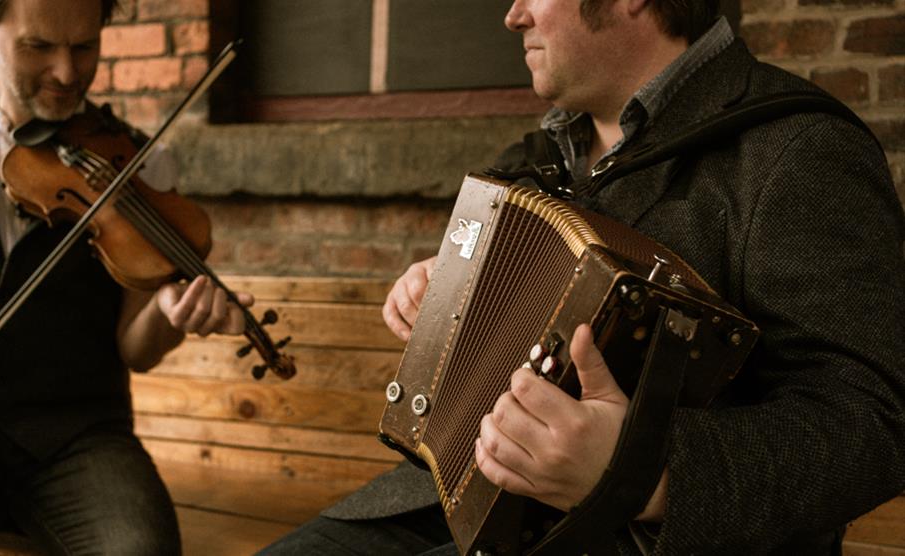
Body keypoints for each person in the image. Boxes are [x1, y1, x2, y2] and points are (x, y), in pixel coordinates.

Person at [258, 0, 905, 554]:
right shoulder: (540, 156)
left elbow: (874, 423)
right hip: (444, 503)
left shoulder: (799, 152)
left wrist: (641, 469)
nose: (512, 15)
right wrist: (446, 289)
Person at [0, 0, 255, 554]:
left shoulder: (131, 160)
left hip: (78, 440)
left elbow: (137, 348)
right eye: (39, 47)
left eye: (84, 47)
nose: (66, 73)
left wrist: (168, 314)